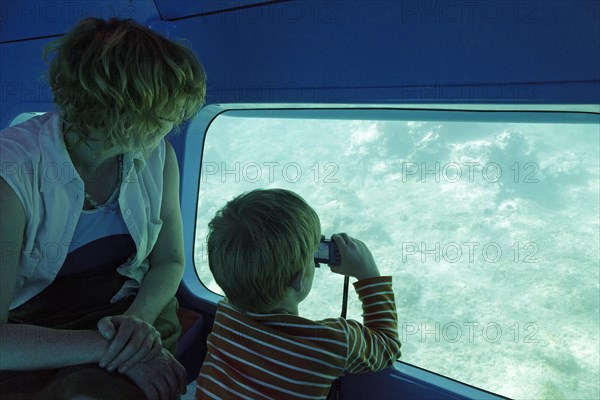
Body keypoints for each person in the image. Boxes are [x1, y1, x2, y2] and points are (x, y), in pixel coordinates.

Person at [0, 17, 206, 400]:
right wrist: (120, 350)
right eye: (167, 114)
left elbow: (168, 261)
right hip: (37, 323)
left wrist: (136, 323)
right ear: (124, 114)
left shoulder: (158, 158)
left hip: (133, 309)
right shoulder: (11, 175)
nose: (177, 124)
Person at [196, 189, 402, 399]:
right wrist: (368, 276)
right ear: (298, 279)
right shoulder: (334, 342)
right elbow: (387, 346)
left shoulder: (225, 314)